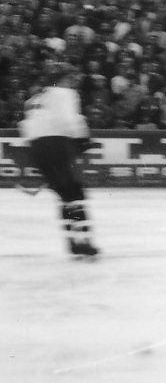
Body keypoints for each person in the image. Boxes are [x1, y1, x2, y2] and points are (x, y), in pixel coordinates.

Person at [18, 63, 100, 258]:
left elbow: (26, 127)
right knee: (75, 193)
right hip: (56, 143)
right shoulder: (64, 93)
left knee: (65, 196)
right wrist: (83, 139)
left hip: (38, 148)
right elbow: (71, 119)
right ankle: (85, 241)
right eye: (70, 76)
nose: (73, 80)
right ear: (61, 78)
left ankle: (72, 241)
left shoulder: (34, 99)